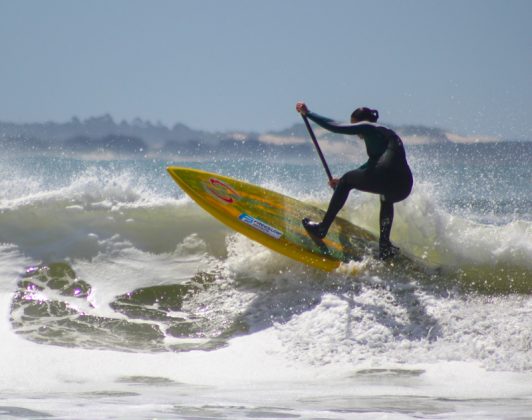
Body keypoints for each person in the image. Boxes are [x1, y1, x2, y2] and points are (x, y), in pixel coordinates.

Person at [296, 102, 413, 260]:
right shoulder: (386, 135)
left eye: (353, 125)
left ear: (360, 122)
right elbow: (376, 165)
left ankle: (322, 229)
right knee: (385, 199)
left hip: (387, 176)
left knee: (347, 180)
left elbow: (335, 126)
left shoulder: (368, 126)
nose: (355, 130)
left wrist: (308, 113)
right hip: (403, 186)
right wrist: (350, 178)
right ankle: (384, 246)